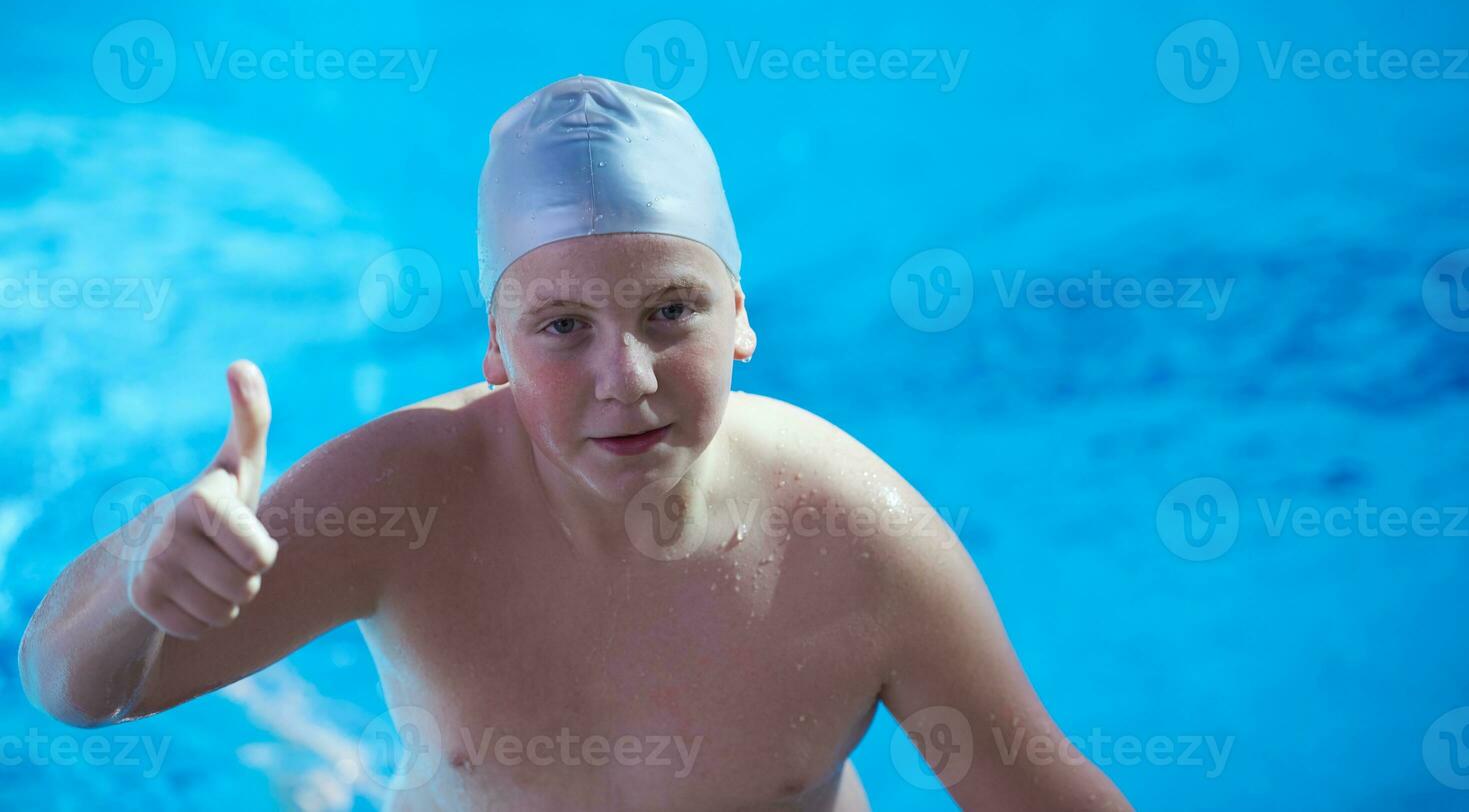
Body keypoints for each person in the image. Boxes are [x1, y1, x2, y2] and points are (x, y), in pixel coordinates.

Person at [18, 75, 1134, 811]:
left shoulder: (854, 532)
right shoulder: (407, 494)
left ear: (739, 314)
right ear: (493, 349)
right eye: (562, 327)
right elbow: (75, 691)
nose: (627, 377)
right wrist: (139, 574)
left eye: (670, 312)